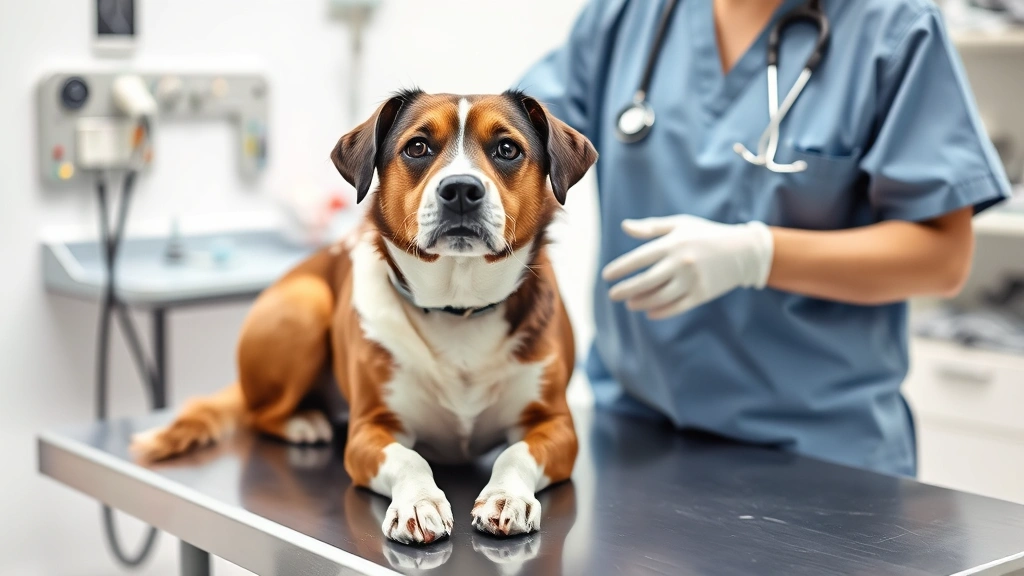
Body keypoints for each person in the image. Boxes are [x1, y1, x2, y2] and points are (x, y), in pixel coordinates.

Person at [516, 0, 1012, 476]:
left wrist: (758, 255)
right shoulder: (626, 15)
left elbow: (942, 256)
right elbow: (512, 153)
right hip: (635, 435)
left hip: (820, 456)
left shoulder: (893, 26)